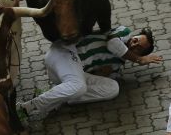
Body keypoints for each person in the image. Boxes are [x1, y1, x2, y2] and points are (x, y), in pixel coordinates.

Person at [18, 26, 162, 117]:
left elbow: (92, 81)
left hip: (66, 75)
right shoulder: (123, 32)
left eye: (138, 47)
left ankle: (59, 96)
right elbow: (112, 44)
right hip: (63, 52)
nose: (134, 43)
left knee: (113, 88)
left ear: (141, 52)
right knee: (78, 86)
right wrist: (140, 60)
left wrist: (99, 73)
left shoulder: (117, 67)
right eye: (136, 39)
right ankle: (29, 106)